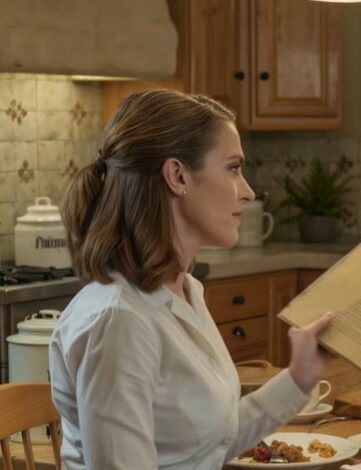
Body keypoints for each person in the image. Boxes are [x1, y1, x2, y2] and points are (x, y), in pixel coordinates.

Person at [48, 89, 332, 469]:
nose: (247, 192)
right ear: (178, 176)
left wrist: (298, 378)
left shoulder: (185, 289)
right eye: (233, 168)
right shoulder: (119, 322)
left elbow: (207, 444)